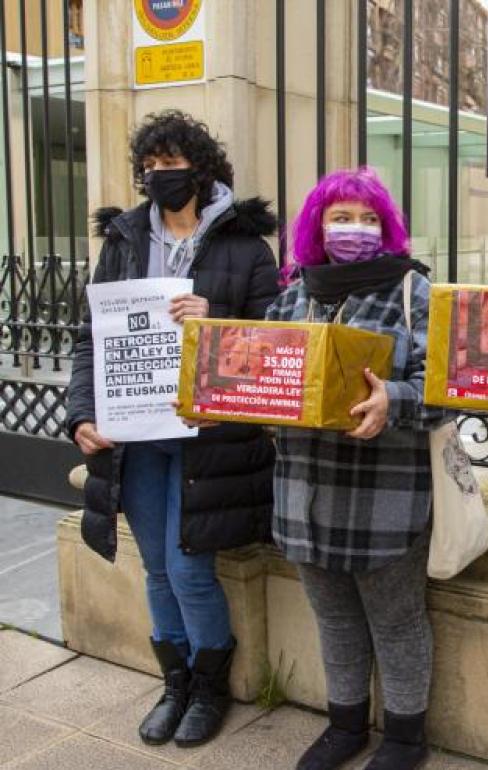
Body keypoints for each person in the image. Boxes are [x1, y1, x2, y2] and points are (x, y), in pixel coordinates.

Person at [65, 110, 279, 747]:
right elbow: (89, 343)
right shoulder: (124, 241)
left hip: (208, 441)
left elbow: (274, 349)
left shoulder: (246, 247)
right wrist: (80, 414)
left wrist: (214, 322)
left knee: (189, 571)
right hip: (137, 442)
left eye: (173, 164)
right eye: (151, 167)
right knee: (156, 570)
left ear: (202, 167)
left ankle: (211, 686)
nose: (162, 176)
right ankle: (177, 683)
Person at [265, 168, 442, 770]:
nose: (355, 229)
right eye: (341, 217)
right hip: (303, 494)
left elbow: (450, 388)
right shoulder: (292, 296)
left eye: (369, 219)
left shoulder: (414, 295)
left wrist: (398, 399)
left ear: (388, 229)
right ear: (317, 226)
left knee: (397, 623)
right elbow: (263, 380)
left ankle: (404, 738)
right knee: (334, 619)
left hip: (383, 497)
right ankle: (344, 727)